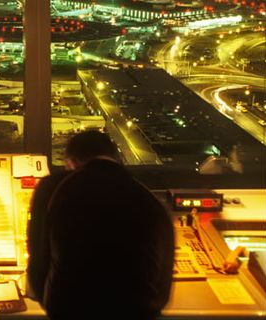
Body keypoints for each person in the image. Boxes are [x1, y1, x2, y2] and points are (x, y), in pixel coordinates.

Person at [43, 130, 174, 320]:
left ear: (71, 162)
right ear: (116, 158)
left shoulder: (62, 193)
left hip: (72, 311)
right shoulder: (151, 202)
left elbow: (47, 261)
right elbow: (162, 291)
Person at [26, 158, 71, 302]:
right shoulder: (135, 189)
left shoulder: (52, 186)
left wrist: (39, 292)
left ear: (70, 163)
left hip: (63, 294)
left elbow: (36, 240)